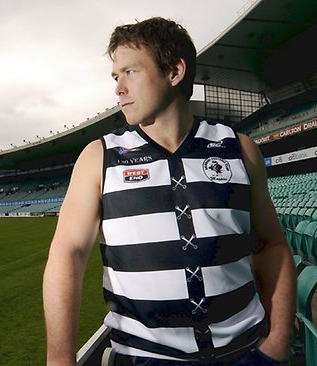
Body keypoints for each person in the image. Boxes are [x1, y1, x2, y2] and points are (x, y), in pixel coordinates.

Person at [43, 17, 296, 365]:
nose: (118, 88)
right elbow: (67, 253)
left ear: (174, 72)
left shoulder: (239, 149)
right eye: (115, 77)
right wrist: (59, 359)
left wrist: (278, 340)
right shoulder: (100, 158)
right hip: (144, 358)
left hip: (247, 353)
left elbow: (272, 244)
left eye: (130, 72)